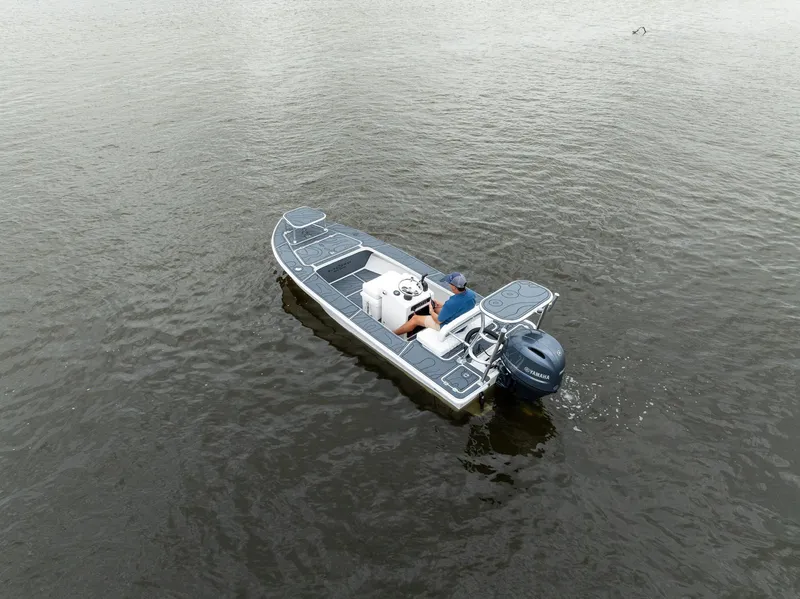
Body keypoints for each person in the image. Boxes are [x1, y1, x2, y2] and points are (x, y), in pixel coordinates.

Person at [393, 272, 476, 336]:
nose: (449, 285)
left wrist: (431, 311)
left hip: (448, 327)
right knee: (436, 307)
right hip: (460, 323)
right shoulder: (471, 294)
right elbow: (458, 306)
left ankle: (394, 333)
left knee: (415, 318)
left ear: (454, 287)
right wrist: (442, 305)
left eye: (449, 283)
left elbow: (438, 321)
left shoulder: (451, 303)